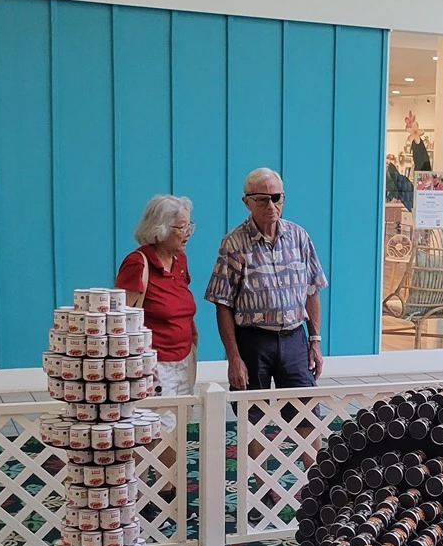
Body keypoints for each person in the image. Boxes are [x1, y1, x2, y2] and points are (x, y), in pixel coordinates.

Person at [206, 168, 327, 474]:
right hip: (253, 340)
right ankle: (258, 492)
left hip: (294, 338)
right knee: (253, 417)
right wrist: (233, 357)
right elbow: (222, 303)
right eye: (263, 200)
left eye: (277, 198)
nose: (271, 206)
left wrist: (315, 341)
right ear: (247, 202)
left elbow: (312, 290)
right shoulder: (233, 244)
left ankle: (316, 484)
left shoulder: (299, 236)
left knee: (306, 413)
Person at [115, 194, 198, 446]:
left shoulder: (179, 260)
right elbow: (120, 321)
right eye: (181, 227)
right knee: (159, 427)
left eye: (189, 226)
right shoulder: (137, 263)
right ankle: (160, 485)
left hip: (183, 357)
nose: (188, 233)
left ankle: (173, 484)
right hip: (154, 362)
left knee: (180, 423)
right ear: (160, 229)